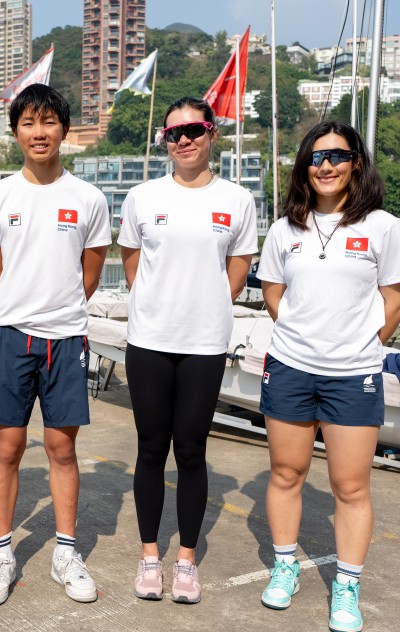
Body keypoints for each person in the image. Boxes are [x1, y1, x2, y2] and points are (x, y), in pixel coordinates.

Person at [256, 121, 400, 632]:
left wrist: (365, 342)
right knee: (286, 473)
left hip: (354, 374)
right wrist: (303, 336)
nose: (326, 166)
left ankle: (346, 586)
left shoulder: (384, 227)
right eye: (316, 158)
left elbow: (396, 296)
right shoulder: (285, 230)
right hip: (291, 366)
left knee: (350, 485)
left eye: (337, 157)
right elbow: (273, 292)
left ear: (356, 164)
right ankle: (284, 567)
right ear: (304, 167)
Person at [0, 83, 111, 606]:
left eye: (49, 122)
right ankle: (2, 551)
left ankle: (66, 552)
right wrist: (24, 306)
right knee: (6, 448)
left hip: (66, 336)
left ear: (64, 129)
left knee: (61, 447)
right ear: (15, 132)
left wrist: (55, 308)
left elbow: (89, 274)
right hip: (9, 335)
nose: (39, 132)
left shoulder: (88, 199)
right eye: (29, 123)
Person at [118, 96, 257, 603]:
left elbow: (236, 274)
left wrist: (201, 305)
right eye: (174, 134)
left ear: (211, 132)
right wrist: (159, 304)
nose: (184, 141)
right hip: (150, 339)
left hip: (203, 342)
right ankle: (150, 554)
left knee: (192, 451)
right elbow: (132, 262)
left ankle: (186, 561)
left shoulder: (238, 200)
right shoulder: (142, 197)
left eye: (194, 130)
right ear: (164, 140)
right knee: (151, 448)